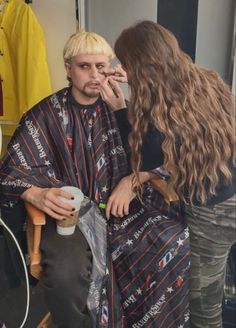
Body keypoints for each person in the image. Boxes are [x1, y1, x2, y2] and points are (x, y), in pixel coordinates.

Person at [0, 30, 190, 327]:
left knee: (171, 238)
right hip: (69, 217)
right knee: (65, 273)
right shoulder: (45, 115)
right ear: (67, 68)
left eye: (100, 67)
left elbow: (162, 159)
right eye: (83, 66)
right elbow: (11, 171)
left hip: (121, 209)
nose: (93, 74)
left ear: (112, 69)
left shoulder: (123, 110)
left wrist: (132, 181)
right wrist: (36, 194)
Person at [109, 20, 236, 328]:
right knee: (223, 278)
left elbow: (147, 158)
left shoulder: (157, 112)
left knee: (203, 306)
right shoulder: (205, 79)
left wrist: (118, 108)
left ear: (137, 67)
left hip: (215, 214)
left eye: (125, 64)